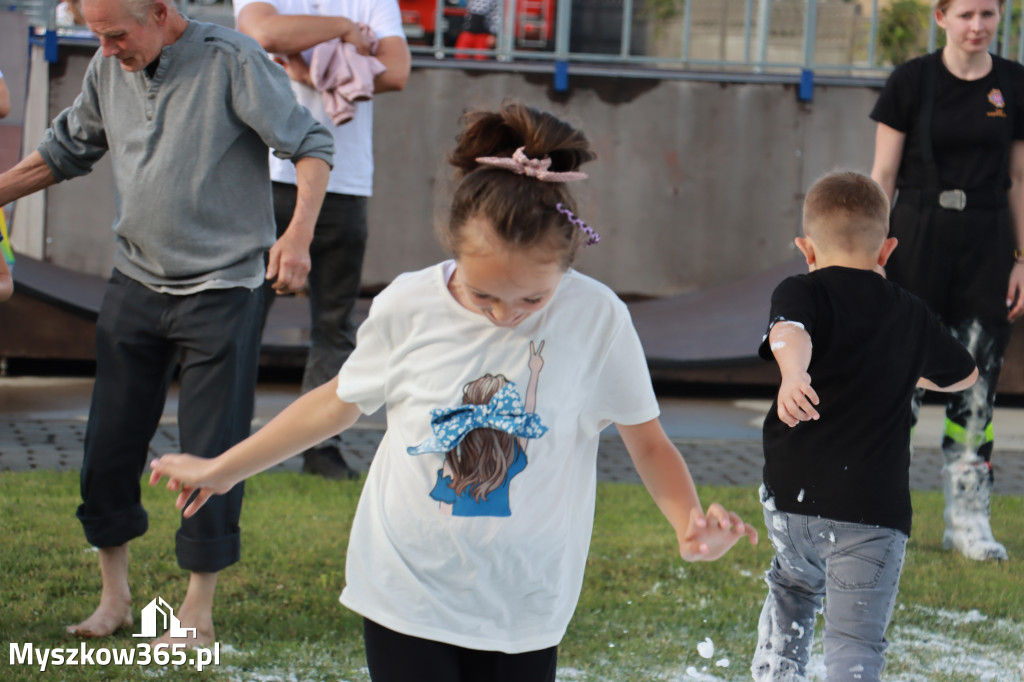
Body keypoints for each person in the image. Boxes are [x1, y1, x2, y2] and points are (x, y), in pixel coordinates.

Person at [149, 101, 758, 679]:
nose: (505, 315)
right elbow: (337, 402)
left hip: (526, 601)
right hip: (406, 587)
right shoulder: (408, 304)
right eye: (482, 294)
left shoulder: (597, 319)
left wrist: (687, 522)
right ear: (455, 251)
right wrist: (227, 469)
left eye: (532, 299)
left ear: (567, 265)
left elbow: (646, 440)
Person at [0, 0, 333, 644]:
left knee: (213, 452)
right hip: (134, 284)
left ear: (159, 13)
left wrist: (297, 235)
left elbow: (312, 144)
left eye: (116, 34)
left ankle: (196, 612)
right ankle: (114, 600)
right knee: (108, 447)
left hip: (224, 290)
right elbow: (63, 151)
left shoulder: (232, 60)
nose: (106, 49)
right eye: (96, 36)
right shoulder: (108, 67)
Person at [751, 171, 978, 681]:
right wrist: (902, 367)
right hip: (871, 515)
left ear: (806, 248)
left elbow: (790, 330)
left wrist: (794, 375)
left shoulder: (800, 289)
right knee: (855, 646)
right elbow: (965, 374)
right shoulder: (911, 314)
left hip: (793, 503)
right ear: (888, 249)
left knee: (791, 597)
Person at [870, 0, 1024, 561]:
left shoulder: (1013, 83)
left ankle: (968, 519)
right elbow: (882, 174)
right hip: (916, 238)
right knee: (899, 382)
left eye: (988, 13)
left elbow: (1019, 178)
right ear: (941, 18)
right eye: (965, 14)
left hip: (986, 242)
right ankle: (882, 516)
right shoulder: (910, 81)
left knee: (976, 384)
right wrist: (871, 253)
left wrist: (1022, 259)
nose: (977, 25)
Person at [235, 0, 410, 480]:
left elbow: (396, 72)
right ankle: (227, 439)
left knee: (334, 325)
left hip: (345, 183)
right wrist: (343, 32)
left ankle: (321, 448)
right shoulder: (352, 13)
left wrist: (311, 71)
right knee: (241, 315)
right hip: (264, 176)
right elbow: (266, 33)